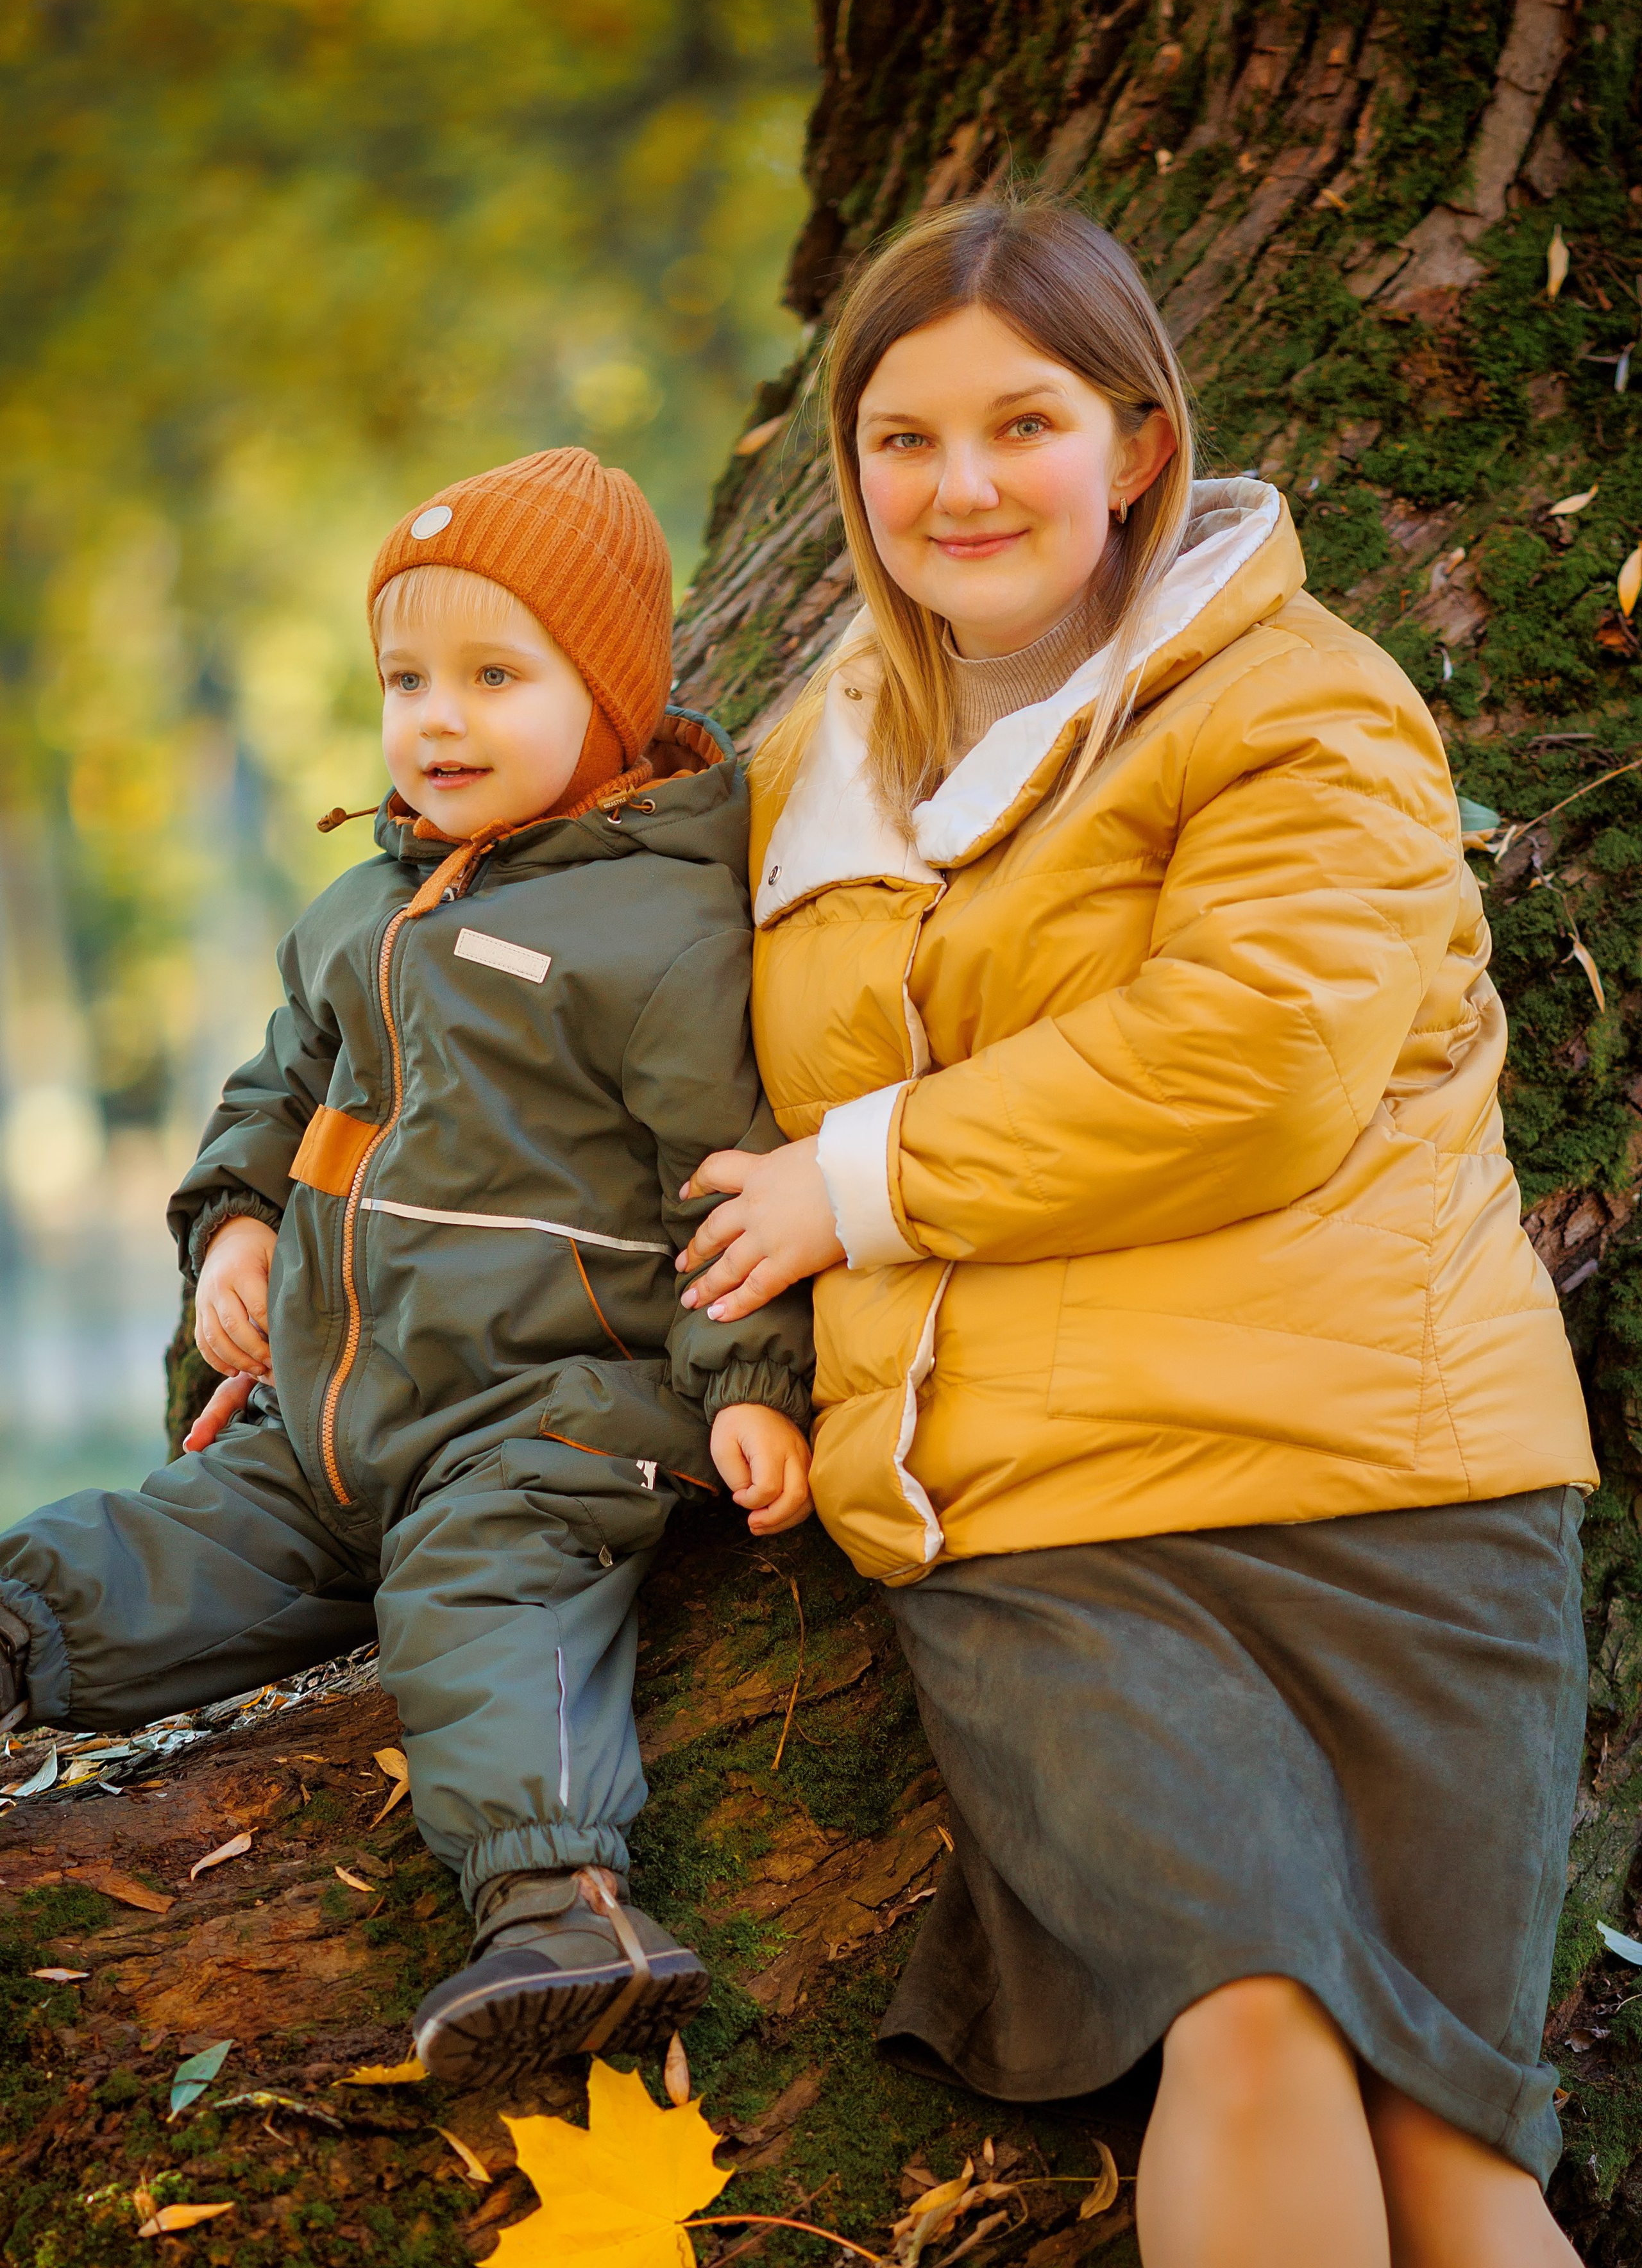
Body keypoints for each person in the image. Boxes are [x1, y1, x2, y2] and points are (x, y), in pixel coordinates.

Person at [672, 201, 1597, 2268]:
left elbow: (1249, 1068)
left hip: (1395, 1508)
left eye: (1024, 422)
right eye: (903, 440)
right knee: (1248, 2028)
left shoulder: (1301, 707)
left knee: (1451, 2143)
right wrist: (274, 1197)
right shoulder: (804, 768)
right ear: (848, 472)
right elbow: (570, 992)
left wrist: (863, 1182)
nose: (962, 485)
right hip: (1048, 1534)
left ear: (1141, 442)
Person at [0, 447, 814, 2088]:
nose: (436, 720)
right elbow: (270, 1097)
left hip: (550, 1414)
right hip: (340, 1416)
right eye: (405, 680)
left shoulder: (657, 936)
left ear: (607, 692)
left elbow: (731, 1187)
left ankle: (561, 1910)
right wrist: (232, 1223)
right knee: (170, 1536)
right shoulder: (358, 906)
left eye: (495, 678)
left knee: (476, 1597)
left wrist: (750, 1391)